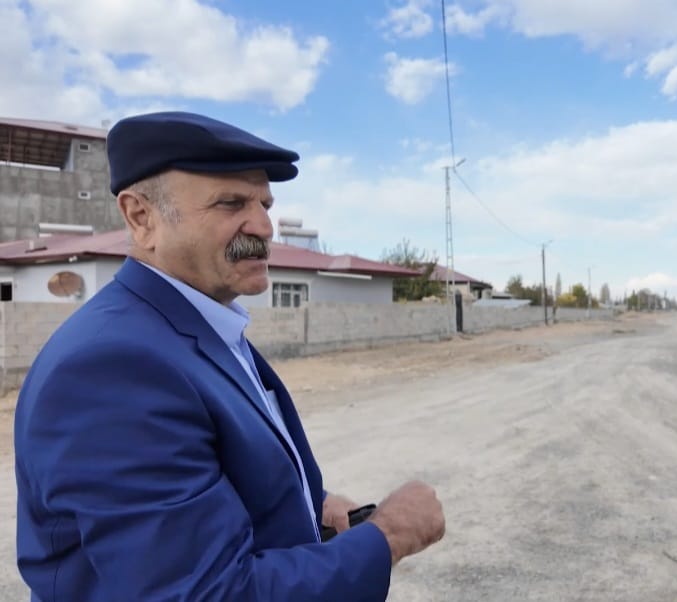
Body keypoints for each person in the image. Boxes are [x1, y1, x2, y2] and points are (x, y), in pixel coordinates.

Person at [14, 111, 445, 601]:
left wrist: (311, 505)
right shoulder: (112, 368)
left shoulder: (193, 323)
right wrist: (388, 536)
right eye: (231, 202)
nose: (263, 226)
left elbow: (209, 473)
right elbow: (207, 594)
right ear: (141, 216)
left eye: (265, 203)